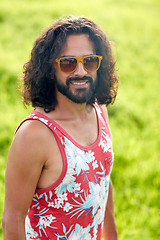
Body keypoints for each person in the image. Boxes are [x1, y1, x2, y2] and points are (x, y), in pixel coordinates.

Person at [2, 15, 119, 240]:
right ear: (49, 69)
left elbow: (103, 179)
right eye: (68, 63)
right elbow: (13, 219)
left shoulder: (99, 111)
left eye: (90, 61)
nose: (81, 72)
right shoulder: (34, 135)